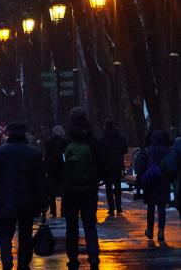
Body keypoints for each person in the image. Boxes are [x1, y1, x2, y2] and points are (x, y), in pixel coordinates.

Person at [0, 122, 45, 270]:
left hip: (5, 199)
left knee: (5, 234)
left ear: (8, 133)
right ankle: (23, 263)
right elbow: (40, 179)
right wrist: (43, 200)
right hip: (28, 200)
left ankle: (7, 260)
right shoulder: (34, 153)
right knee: (26, 235)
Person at [59, 107, 101, 270]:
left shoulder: (66, 139)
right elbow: (100, 162)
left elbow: (57, 165)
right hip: (90, 189)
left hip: (70, 190)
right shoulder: (92, 140)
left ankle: (73, 258)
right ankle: (94, 256)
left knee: (72, 226)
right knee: (90, 224)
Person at [134, 129, 171, 242]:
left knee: (150, 207)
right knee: (161, 207)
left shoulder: (147, 151)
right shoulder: (168, 151)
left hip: (150, 182)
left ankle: (150, 229)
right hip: (163, 182)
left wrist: (140, 180)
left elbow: (139, 167)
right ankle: (161, 231)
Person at [98, 119, 128, 216]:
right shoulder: (120, 137)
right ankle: (119, 207)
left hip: (107, 165)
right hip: (117, 164)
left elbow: (100, 152)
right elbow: (125, 150)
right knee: (117, 186)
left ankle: (111, 207)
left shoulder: (103, 139)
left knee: (109, 187)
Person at [43, 125, 69, 218]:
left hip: (51, 169)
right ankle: (63, 211)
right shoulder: (65, 142)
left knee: (51, 193)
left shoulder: (48, 142)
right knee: (63, 192)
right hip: (62, 169)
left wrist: (46, 167)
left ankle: (53, 211)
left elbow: (46, 156)